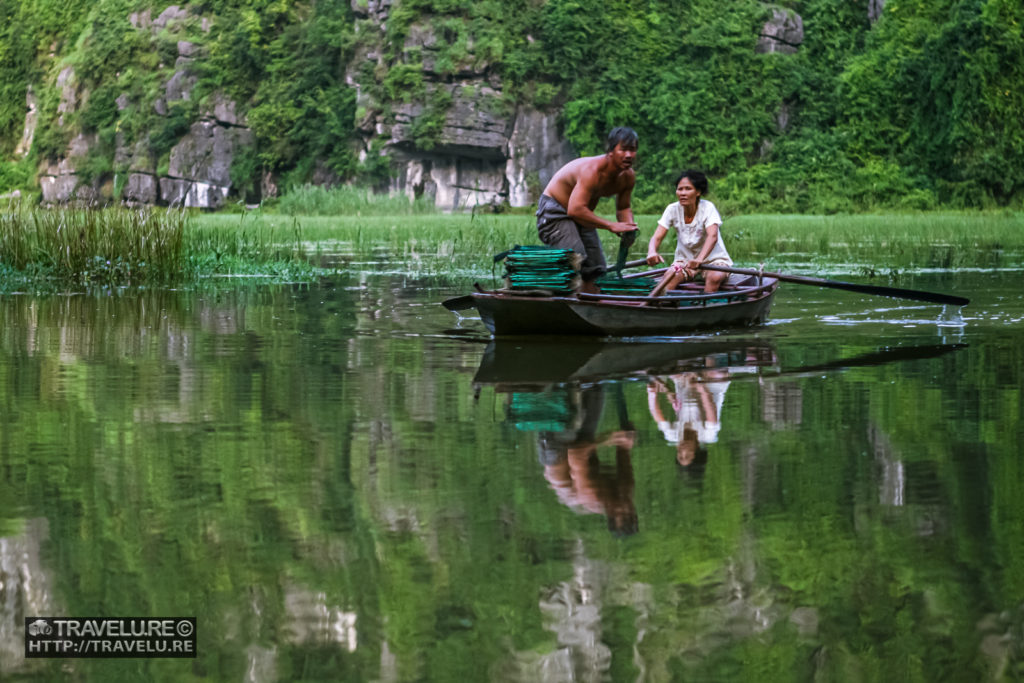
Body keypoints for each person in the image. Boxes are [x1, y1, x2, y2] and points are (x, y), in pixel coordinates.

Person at [536, 127, 640, 293]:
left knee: (597, 268)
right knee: (574, 259)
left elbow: (623, 207)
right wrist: (611, 225)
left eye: (632, 150)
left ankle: (591, 304)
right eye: (623, 149)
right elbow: (575, 209)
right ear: (611, 151)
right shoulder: (592, 171)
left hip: (582, 214)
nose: (628, 155)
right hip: (555, 211)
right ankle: (557, 294)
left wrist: (628, 227)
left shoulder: (628, 177)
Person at [645, 169, 732, 295]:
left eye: (688, 189)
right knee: (669, 276)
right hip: (685, 261)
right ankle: (664, 307)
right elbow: (657, 237)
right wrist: (652, 251)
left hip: (713, 261)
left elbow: (712, 236)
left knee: (715, 277)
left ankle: (706, 308)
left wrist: (700, 260)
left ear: (698, 192)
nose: (683, 193)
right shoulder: (672, 209)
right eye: (680, 189)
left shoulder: (707, 208)